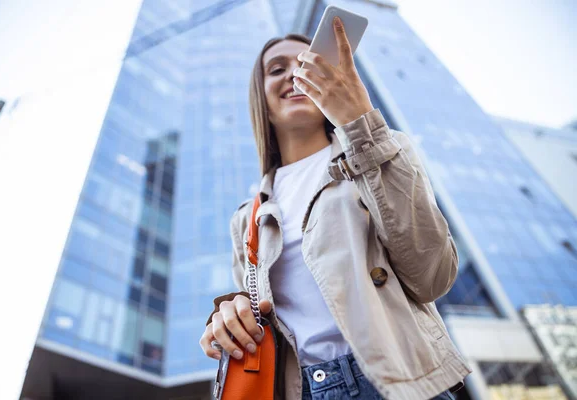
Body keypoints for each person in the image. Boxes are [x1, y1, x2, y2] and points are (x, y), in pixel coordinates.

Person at [200, 16, 471, 400]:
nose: (294, 73)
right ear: (259, 96)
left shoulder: (383, 151)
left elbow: (433, 277)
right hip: (305, 390)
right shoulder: (248, 216)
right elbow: (264, 323)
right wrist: (230, 317)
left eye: (308, 64)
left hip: (397, 385)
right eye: (278, 69)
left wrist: (362, 126)